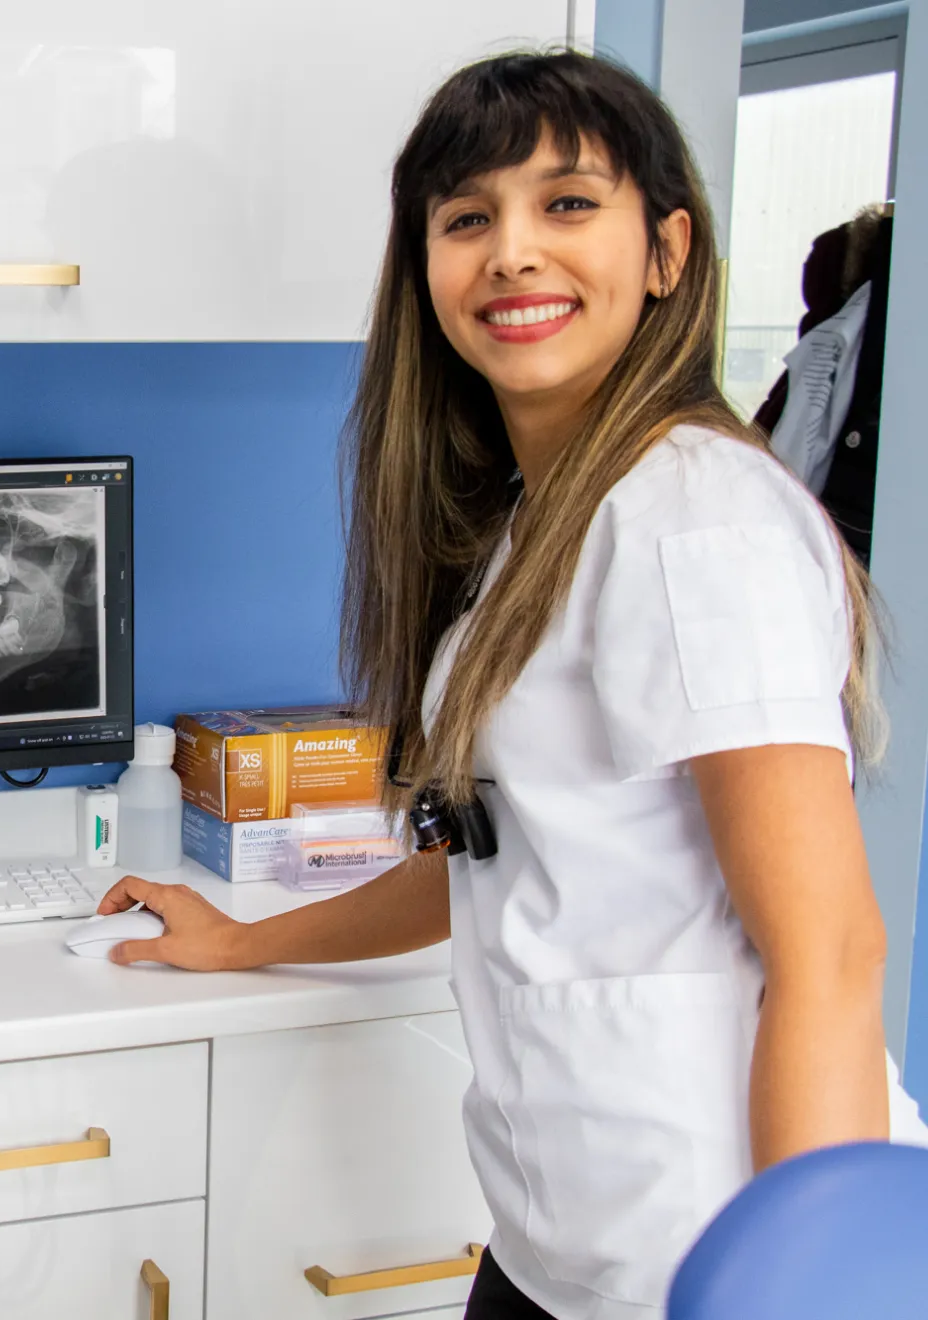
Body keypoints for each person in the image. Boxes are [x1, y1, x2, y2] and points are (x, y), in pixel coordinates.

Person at [95, 51, 928, 1320]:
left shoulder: (695, 519)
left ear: (665, 253)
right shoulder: (537, 523)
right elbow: (491, 854)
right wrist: (246, 944)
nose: (511, 253)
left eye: (568, 205)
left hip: (708, 1257)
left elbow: (827, 951)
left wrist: (792, 1287)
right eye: (466, 218)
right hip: (558, 1243)